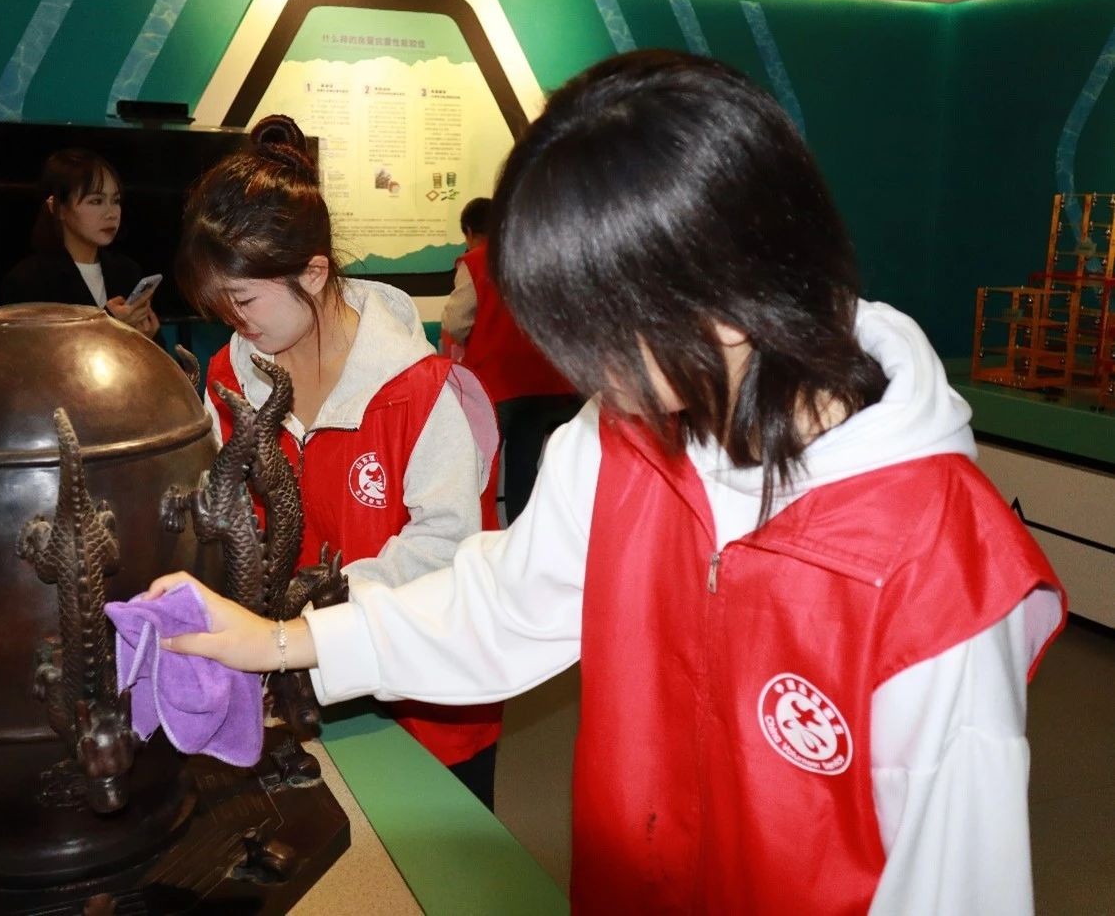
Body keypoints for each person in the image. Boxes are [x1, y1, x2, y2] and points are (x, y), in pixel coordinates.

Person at [147, 52, 1065, 913]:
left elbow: (956, 881)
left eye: (601, 332)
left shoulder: (932, 555)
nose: (592, 376)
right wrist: (281, 640)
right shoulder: (621, 436)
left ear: (727, 283)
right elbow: (500, 608)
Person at [175, 115, 505, 808]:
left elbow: (447, 548)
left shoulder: (419, 389)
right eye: (219, 304)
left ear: (314, 271)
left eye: (244, 299)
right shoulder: (229, 381)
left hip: (420, 704)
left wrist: (312, 619)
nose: (234, 320)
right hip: (288, 689)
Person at [442, 197, 580, 521]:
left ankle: (480, 533)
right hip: (543, 383)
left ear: (469, 231)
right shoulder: (539, 257)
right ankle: (524, 533)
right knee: (524, 468)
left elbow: (455, 322)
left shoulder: (475, 262)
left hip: (495, 385)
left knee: (481, 467)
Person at [3, 148, 160, 339]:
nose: (111, 213)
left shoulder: (127, 271)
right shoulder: (29, 280)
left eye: (116, 200)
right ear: (58, 208)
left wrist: (146, 338)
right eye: (96, 201)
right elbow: (37, 352)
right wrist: (111, 325)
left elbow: (155, 352)